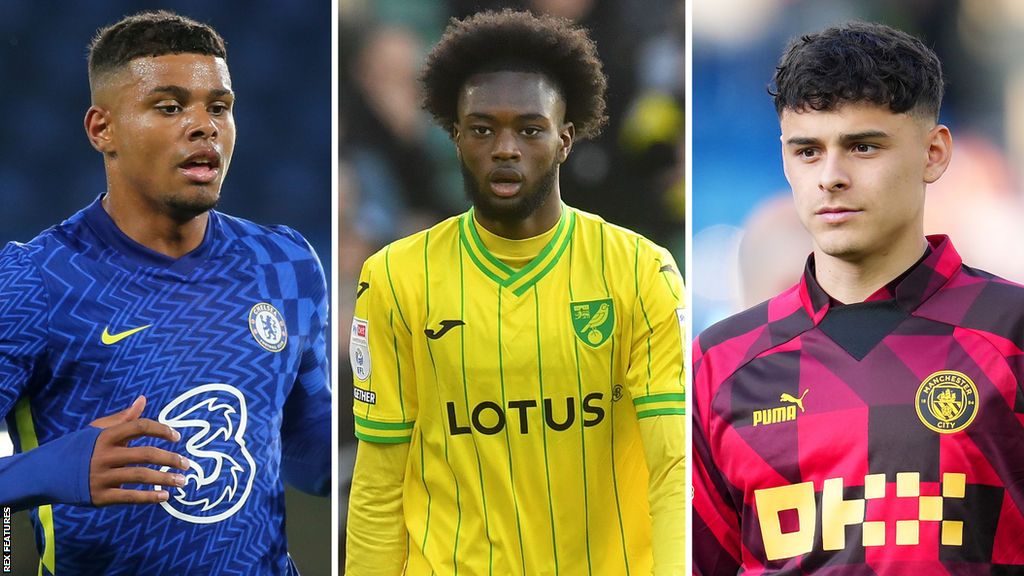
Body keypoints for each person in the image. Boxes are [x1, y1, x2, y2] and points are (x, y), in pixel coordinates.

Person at [345, 9, 686, 575]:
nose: (505, 148)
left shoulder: (640, 270)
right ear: (455, 136)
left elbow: (672, 467)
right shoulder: (394, 278)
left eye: (530, 129)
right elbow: (380, 482)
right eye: (482, 129)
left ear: (565, 138)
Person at [0, 11, 330, 575]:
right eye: (170, 106)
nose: (204, 127)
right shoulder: (34, 280)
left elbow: (300, 440)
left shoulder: (286, 261)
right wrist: (51, 470)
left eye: (219, 107)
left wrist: (387, 441)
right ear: (102, 129)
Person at [693, 21, 1024, 574]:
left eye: (862, 146)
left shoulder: (1011, 331)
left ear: (934, 154)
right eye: (807, 151)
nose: (831, 176)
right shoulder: (723, 363)